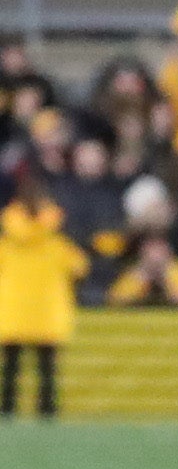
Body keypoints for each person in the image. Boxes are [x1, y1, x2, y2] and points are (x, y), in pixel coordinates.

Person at [0, 165, 86, 417]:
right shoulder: (57, 244)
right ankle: (47, 412)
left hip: (12, 314)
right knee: (47, 370)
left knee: (11, 369)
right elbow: (80, 268)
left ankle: (7, 412)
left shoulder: (7, 244)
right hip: (48, 314)